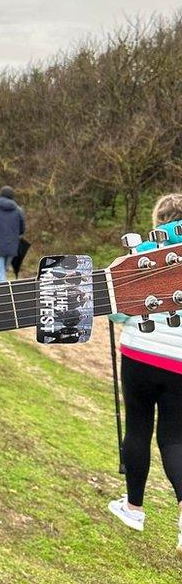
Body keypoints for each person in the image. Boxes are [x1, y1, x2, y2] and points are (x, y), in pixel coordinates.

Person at [107, 194, 182, 556]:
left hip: (140, 352)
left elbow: (117, 311)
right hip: (180, 364)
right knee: (174, 438)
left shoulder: (142, 253)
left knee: (138, 427)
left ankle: (134, 508)